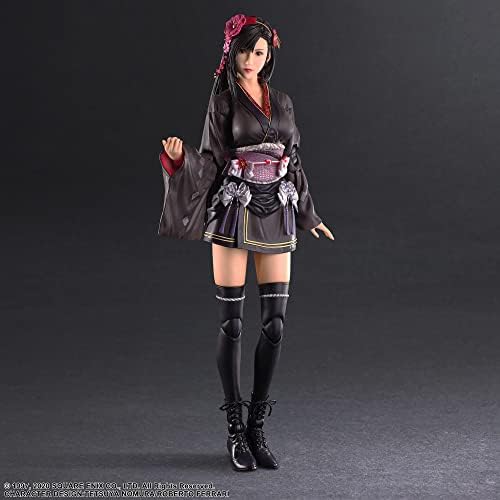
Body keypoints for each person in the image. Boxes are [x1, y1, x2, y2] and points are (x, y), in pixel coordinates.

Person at [158, 13, 335, 472]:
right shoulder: (222, 103)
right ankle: (235, 429)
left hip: (277, 209)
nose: (251, 60)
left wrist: (309, 214)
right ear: (231, 52)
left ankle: (257, 426)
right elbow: (210, 161)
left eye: (259, 52)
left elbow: (294, 160)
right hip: (234, 210)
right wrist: (179, 161)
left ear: (269, 54)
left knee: (275, 324)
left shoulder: (283, 102)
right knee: (232, 324)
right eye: (244, 51)